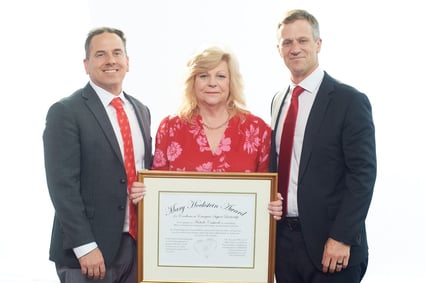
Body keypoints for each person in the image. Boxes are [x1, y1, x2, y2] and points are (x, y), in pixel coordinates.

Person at [270, 9, 376, 283]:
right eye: (287, 42)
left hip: (332, 246)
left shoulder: (349, 101)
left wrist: (341, 237)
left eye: (303, 41)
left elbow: (362, 175)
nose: (295, 48)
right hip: (284, 245)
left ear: (318, 44)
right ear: (279, 49)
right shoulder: (278, 101)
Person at [43, 27, 152, 282]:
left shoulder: (141, 110)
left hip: (135, 246)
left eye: (117, 53)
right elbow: (62, 187)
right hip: (88, 253)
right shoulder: (65, 112)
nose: (111, 60)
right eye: (100, 54)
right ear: (86, 64)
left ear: (128, 61)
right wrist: (85, 246)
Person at [131, 45, 282, 219]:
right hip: (181, 239)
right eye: (203, 75)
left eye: (221, 76)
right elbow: (157, 191)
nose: (212, 83)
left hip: (237, 241)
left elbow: (265, 191)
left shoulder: (257, 129)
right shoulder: (170, 128)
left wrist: (272, 203)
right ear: (192, 81)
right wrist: (142, 193)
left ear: (231, 82)